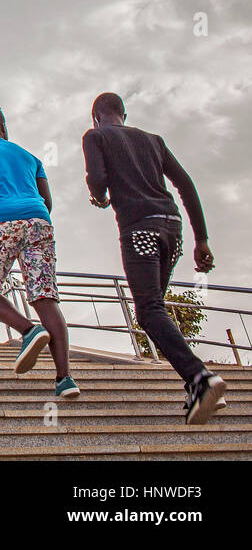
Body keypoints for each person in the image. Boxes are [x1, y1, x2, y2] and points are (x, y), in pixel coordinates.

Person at [82, 92, 226, 424]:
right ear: (124, 114)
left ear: (95, 116)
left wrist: (99, 196)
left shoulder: (95, 136)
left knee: (148, 312)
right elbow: (186, 185)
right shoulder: (154, 140)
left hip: (139, 230)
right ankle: (195, 384)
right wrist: (201, 238)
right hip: (173, 231)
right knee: (155, 311)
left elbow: (99, 179)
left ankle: (200, 377)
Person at [0, 104, 79, 398]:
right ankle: (65, 379)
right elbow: (46, 199)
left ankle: (28, 330)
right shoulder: (31, 157)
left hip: (0, 221)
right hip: (39, 220)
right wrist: (33, 223)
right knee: (45, 298)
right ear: (4, 127)